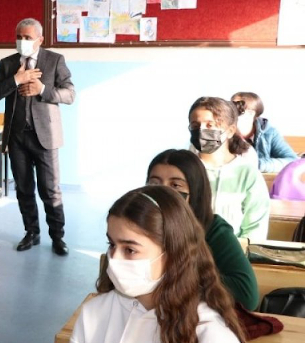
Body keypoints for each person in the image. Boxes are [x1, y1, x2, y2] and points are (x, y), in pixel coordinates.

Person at [71, 186, 245, 343]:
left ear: (172, 253)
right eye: (112, 244)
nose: (114, 259)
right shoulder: (94, 313)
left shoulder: (210, 333)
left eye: (130, 250)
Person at [0, 18, 75, 255]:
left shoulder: (54, 60)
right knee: (24, 189)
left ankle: (57, 237)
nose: (22, 41)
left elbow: (69, 94)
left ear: (40, 39)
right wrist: (17, 79)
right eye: (19, 37)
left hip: (45, 137)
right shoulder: (8, 64)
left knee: (50, 190)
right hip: (17, 137)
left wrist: (42, 89)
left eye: (27, 37)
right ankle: (31, 232)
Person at [147, 149, 259, 310]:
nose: (163, 191)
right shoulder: (137, 227)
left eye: (175, 185)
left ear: (195, 191)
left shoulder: (213, 230)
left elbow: (247, 296)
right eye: (154, 183)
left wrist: (174, 274)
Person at [188, 97, 269, 239]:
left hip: (232, 249)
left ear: (230, 130)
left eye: (210, 125)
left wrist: (233, 250)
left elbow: (255, 230)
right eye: (195, 125)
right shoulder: (183, 169)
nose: (201, 130)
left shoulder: (247, 173)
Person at [231, 92, 297, 173]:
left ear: (251, 113)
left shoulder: (270, 133)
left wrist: (257, 164)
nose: (232, 112)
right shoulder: (224, 132)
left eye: (238, 108)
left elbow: (292, 161)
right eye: (231, 106)